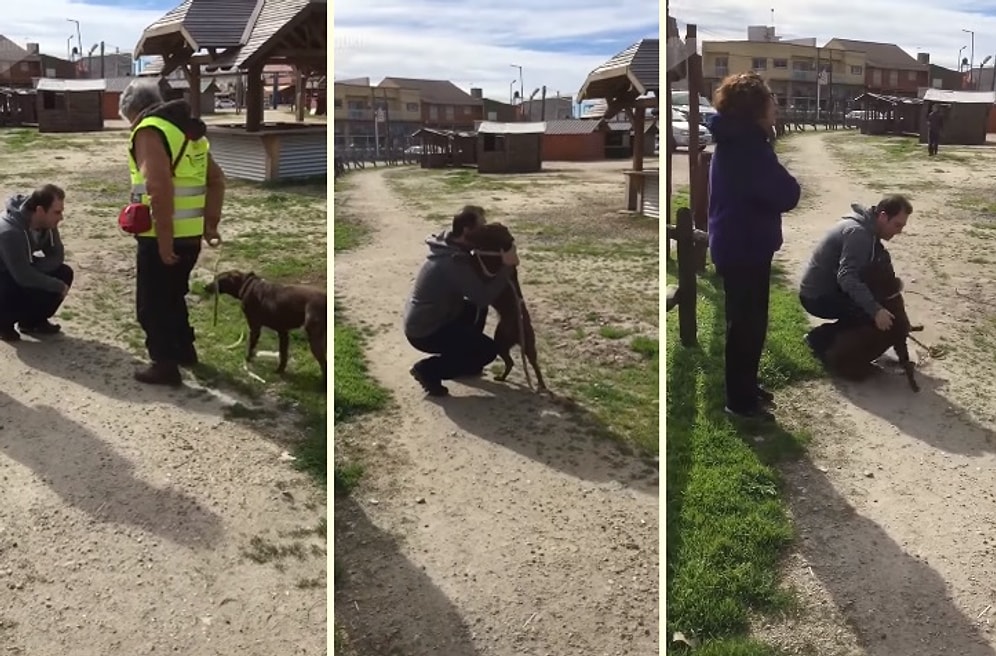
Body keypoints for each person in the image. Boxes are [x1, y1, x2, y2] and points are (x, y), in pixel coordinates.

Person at [706, 71, 801, 421]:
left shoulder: (739, 139)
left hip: (741, 244)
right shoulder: (748, 145)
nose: (776, 105)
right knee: (745, 326)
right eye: (771, 98)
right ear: (756, 107)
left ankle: (746, 386)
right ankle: (740, 402)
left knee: (750, 324)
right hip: (743, 246)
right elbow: (786, 193)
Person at [118, 78, 226, 386]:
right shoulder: (188, 133)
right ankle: (184, 350)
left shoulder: (149, 131)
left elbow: (159, 187)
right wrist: (210, 225)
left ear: (131, 109)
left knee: (151, 306)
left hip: (160, 238)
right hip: (190, 238)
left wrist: (164, 242)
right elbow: (217, 180)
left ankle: (164, 364)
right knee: (174, 297)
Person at [403, 208, 518, 397]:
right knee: (488, 351)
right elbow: (483, 296)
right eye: (482, 225)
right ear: (466, 230)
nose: (486, 229)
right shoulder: (452, 262)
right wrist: (507, 266)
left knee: (476, 310)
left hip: (430, 317)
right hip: (425, 331)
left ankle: (466, 361)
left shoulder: (450, 245)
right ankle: (427, 370)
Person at [799, 195, 912, 362]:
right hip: (817, 296)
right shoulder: (859, 234)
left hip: (827, 288)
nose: (899, 231)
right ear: (883, 216)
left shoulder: (865, 227)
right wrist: (875, 310)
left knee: (873, 305)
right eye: (897, 225)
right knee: (872, 314)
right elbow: (847, 277)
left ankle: (827, 338)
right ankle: (819, 339)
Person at [0, 184, 73, 341]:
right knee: (10, 284)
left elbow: (57, 255)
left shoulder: (47, 222)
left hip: (19, 269)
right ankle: (3, 324)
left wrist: (33, 269)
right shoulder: (9, 231)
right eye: (57, 212)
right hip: (4, 274)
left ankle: (32, 322)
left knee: (64, 273)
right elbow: (22, 276)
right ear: (40, 210)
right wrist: (57, 286)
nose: (61, 217)